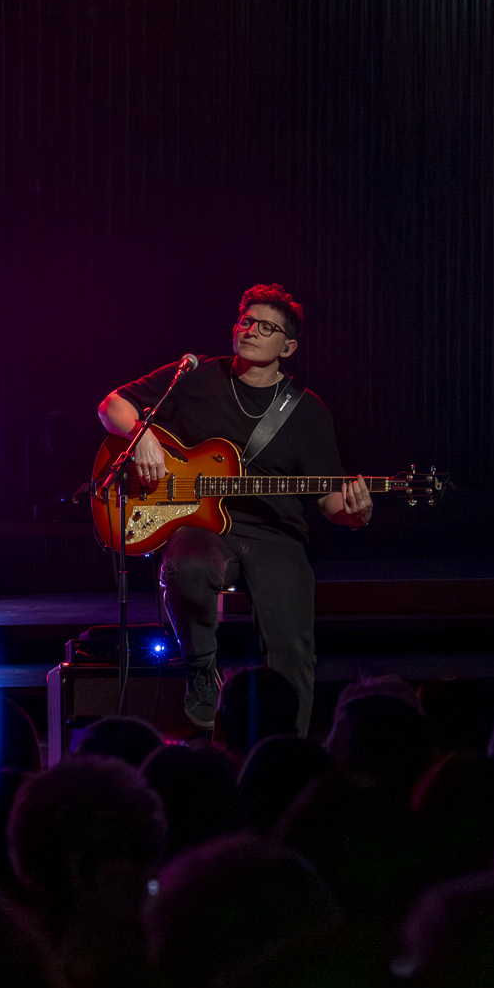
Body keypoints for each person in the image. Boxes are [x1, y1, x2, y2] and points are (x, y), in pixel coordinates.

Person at [97, 284, 370, 734]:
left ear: (289, 346)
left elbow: (329, 500)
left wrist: (355, 513)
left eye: (267, 327)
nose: (252, 331)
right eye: (246, 321)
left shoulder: (307, 410)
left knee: (292, 646)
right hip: (199, 525)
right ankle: (202, 670)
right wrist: (141, 435)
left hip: (274, 534)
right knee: (186, 566)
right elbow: (111, 405)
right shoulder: (194, 376)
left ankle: (287, 747)